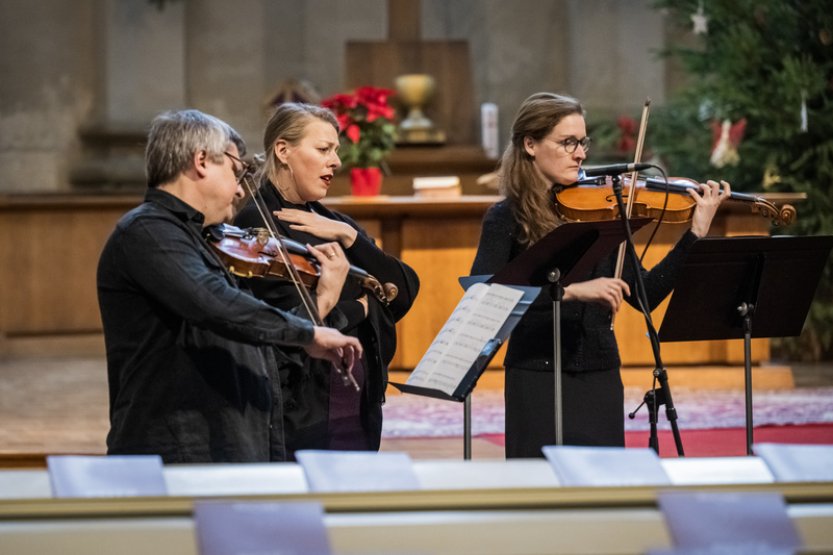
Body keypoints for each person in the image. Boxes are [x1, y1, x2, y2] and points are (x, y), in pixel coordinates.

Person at [470, 92, 730, 458]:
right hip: (536, 375)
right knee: (539, 482)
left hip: (600, 374)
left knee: (603, 483)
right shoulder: (506, 218)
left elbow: (647, 293)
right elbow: (486, 296)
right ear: (530, 144)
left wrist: (695, 235)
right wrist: (573, 291)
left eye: (583, 142)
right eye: (567, 142)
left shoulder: (601, 210)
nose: (580, 154)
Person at [97, 109, 362, 464]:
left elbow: (255, 339)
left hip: (223, 449)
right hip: (178, 455)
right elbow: (216, 303)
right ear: (201, 161)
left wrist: (320, 303)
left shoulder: (202, 239)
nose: (240, 189)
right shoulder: (148, 232)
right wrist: (308, 333)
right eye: (236, 172)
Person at [234, 102, 419, 457]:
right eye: (323, 149)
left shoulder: (333, 222)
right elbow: (287, 323)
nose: (335, 161)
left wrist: (351, 237)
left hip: (356, 399)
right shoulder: (255, 226)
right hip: (302, 407)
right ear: (283, 151)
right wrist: (361, 308)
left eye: (335, 150)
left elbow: (403, 290)